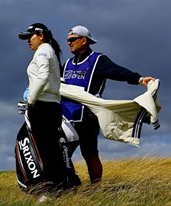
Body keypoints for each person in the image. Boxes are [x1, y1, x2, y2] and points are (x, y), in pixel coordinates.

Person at [62, 25, 157, 183]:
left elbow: (118, 72)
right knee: (61, 153)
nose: (69, 43)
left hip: (87, 117)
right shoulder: (66, 64)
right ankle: (69, 184)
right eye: (67, 41)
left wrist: (139, 79)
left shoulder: (98, 60)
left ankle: (96, 189)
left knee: (90, 154)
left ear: (84, 40)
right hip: (65, 118)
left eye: (72, 39)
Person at [18, 23, 66, 193]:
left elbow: (43, 75)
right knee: (52, 148)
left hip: (42, 106)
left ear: (41, 35)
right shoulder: (50, 50)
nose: (28, 41)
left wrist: (31, 99)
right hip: (53, 105)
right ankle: (60, 186)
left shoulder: (43, 50)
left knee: (44, 150)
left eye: (30, 37)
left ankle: (48, 189)